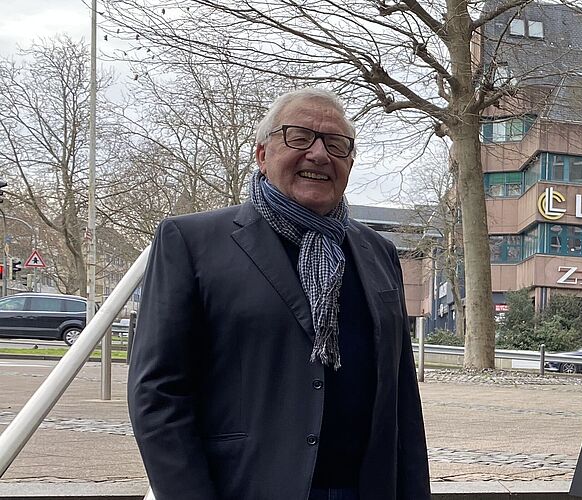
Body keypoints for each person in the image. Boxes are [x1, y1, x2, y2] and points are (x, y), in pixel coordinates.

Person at [128, 87, 430, 500]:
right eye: (298, 137)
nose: (319, 154)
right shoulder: (191, 242)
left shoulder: (378, 252)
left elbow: (402, 401)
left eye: (336, 144)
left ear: (350, 162)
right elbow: (157, 393)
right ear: (262, 154)